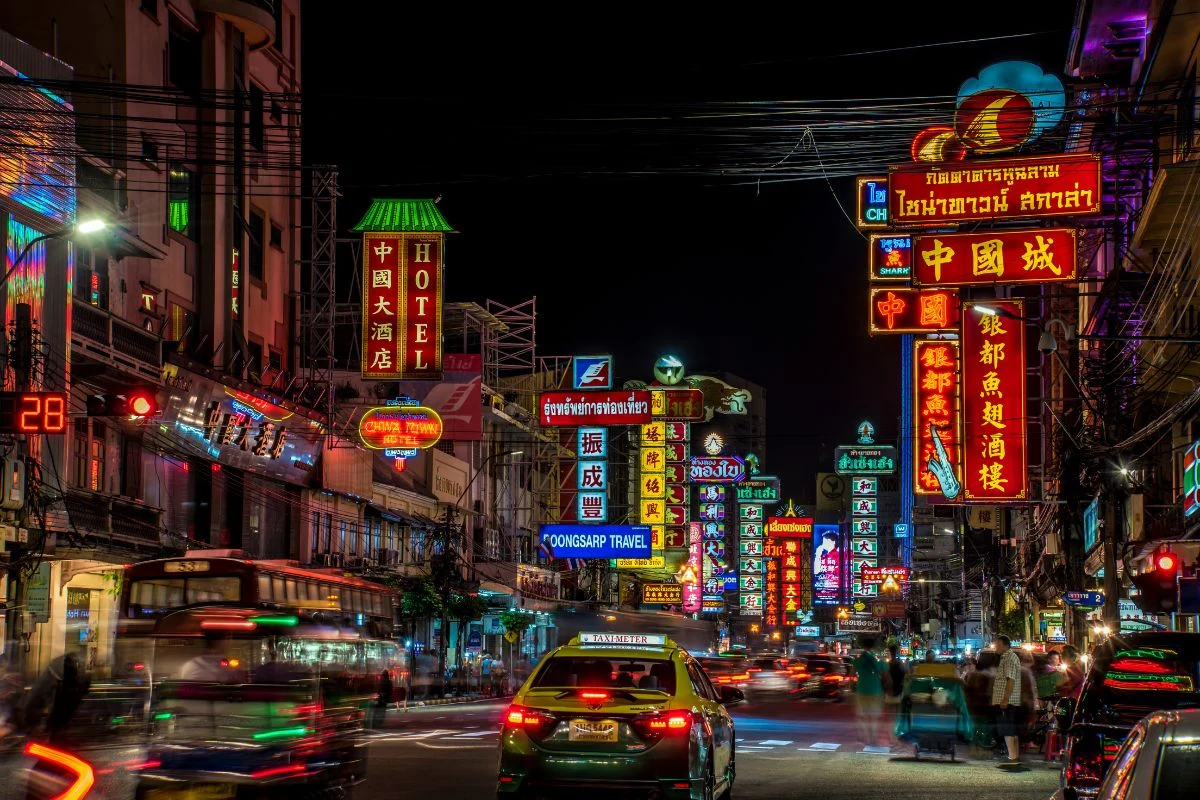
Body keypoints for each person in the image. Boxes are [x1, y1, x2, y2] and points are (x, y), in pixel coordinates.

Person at [22, 653, 91, 743]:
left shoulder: (54, 672)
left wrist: (30, 724)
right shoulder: (78, 678)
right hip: (65, 725)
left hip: (57, 724)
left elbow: (35, 698)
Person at [991, 635, 1023, 766]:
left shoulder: (1009, 658)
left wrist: (1005, 698)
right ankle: (1014, 755)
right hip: (1010, 700)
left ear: (1005, 645)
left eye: (997, 645)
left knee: (1007, 729)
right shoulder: (1010, 657)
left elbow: (1011, 680)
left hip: (1007, 700)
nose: (995, 647)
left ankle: (1012, 756)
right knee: (1011, 729)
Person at [853, 638, 886, 747]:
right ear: (873, 646)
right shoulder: (876, 659)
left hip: (862, 689)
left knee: (863, 716)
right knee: (874, 717)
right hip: (875, 690)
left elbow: (852, 674)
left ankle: (865, 737)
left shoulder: (857, 660)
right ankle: (873, 738)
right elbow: (884, 673)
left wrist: (850, 689)